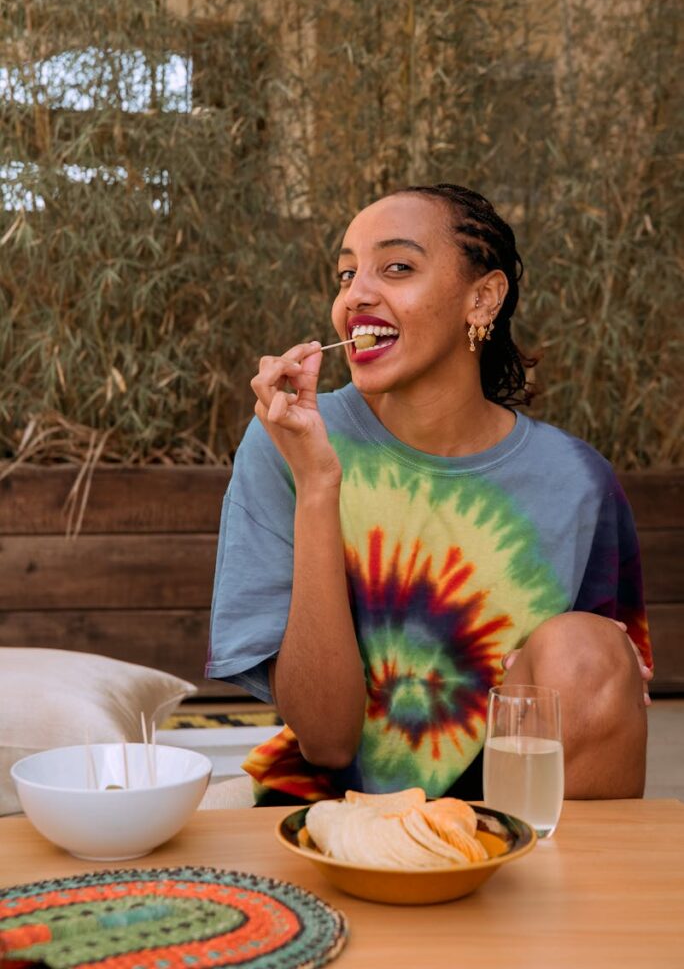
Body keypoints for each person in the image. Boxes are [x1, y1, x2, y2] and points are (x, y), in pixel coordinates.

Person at [206, 183, 653, 805]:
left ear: (482, 298)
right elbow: (328, 742)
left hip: (506, 813)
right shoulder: (288, 439)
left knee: (593, 649)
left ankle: (555, 896)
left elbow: (593, 692)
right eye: (344, 275)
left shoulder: (578, 481)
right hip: (328, 813)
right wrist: (317, 485)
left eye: (397, 267)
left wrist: (608, 676)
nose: (356, 295)